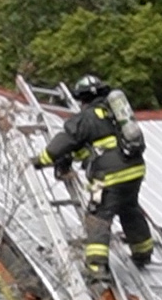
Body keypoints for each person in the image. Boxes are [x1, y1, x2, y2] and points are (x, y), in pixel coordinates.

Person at [31, 74, 153, 281]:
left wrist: (41, 160)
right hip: (135, 169)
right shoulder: (113, 113)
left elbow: (64, 142)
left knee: (98, 217)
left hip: (109, 176)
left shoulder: (84, 118)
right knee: (129, 208)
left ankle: (97, 268)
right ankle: (143, 252)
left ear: (82, 99)